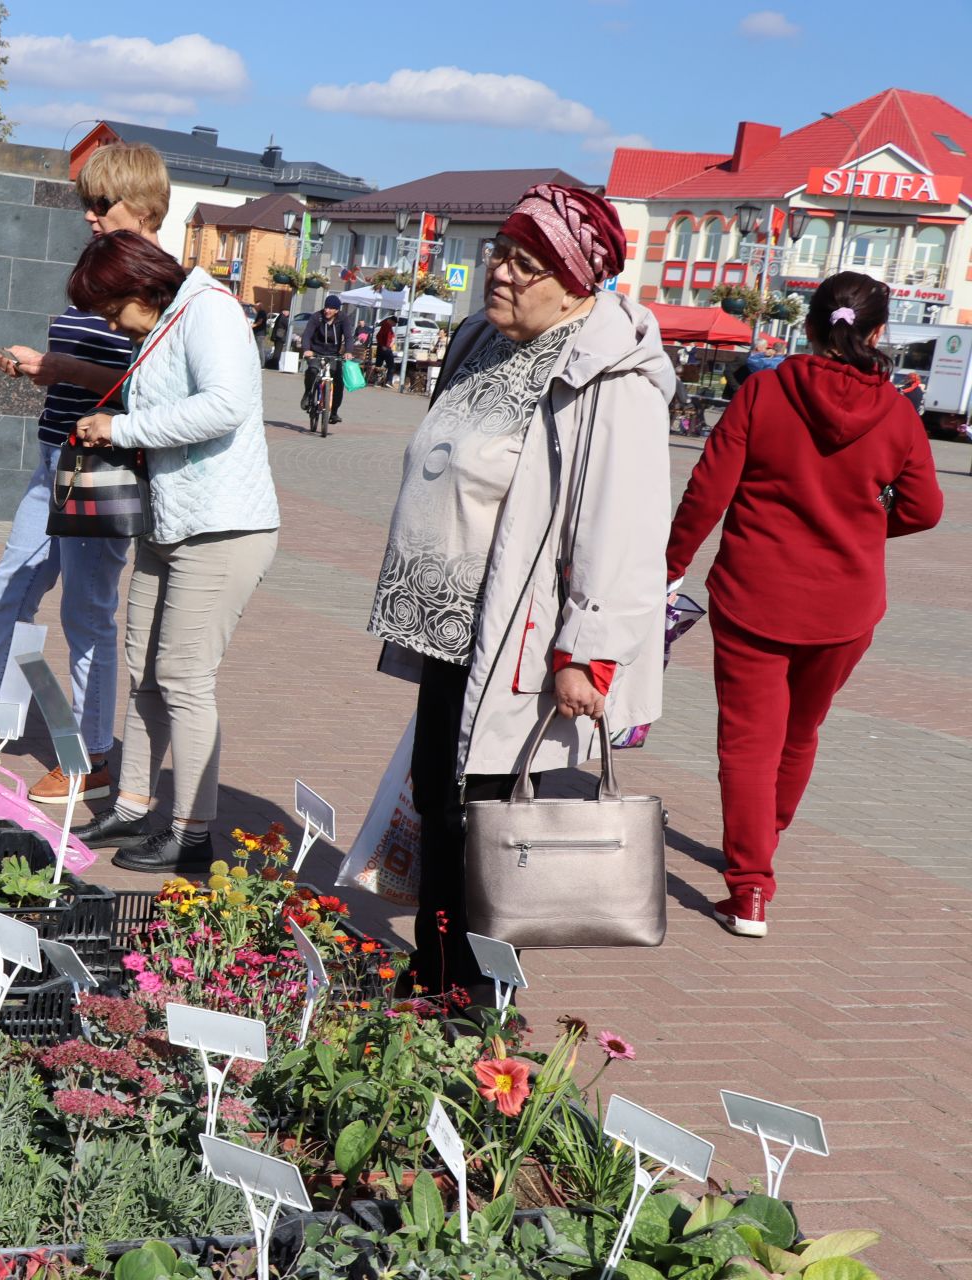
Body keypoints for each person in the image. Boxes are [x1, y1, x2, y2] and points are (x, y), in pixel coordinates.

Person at [369, 184, 674, 1006]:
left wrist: (591, 652)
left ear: (578, 280)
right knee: (441, 797)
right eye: (499, 252)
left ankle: (476, 1001)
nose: (497, 272)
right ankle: (434, 974)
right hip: (456, 626)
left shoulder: (611, 380)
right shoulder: (480, 339)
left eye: (524, 262)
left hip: (530, 640)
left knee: (491, 823)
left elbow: (627, 529)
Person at [665, 273, 943, 939]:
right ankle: (765, 841)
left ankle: (751, 887)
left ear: (809, 325)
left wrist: (667, 572)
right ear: (877, 335)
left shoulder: (763, 390)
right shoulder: (899, 412)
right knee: (801, 732)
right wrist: (866, 526)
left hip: (754, 593)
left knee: (748, 742)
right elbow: (926, 510)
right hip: (847, 606)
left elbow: (708, 491)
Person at [0, 141, 172, 804]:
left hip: (103, 463)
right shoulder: (104, 269)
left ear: (143, 206)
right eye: (87, 205)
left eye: (102, 205)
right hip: (56, 457)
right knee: (12, 583)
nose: (90, 217)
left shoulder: (163, 284)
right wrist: (37, 367)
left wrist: (61, 369)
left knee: (88, 612)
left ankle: (91, 756)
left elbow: (155, 387)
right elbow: (89, 370)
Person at [66, 230, 280, 871]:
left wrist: (121, 426)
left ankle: (192, 831)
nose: (112, 323)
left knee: (184, 679)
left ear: (140, 284)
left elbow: (223, 406)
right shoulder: (165, 321)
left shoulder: (208, 310)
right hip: (170, 523)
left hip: (223, 526)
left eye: (111, 309)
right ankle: (133, 805)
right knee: (144, 671)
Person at [299, 295, 354, 429]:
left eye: (331, 308)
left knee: (339, 383)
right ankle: (307, 393)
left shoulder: (343, 319)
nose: (327, 310)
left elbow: (348, 336)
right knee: (312, 371)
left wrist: (348, 351)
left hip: (334, 354)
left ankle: (334, 412)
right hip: (316, 352)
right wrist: (306, 349)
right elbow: (307, 334)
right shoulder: (316, 317)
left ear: (337, 310)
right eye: (326, 307)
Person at [374, 317, 398, 386]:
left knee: (378, 364)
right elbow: (379, 336)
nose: (395, 324)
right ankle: (388, 381)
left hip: (382, 347)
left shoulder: (385, 326)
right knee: (391, 365)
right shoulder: (386, 326)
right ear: (390, 321)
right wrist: (383, 345)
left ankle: (376, 381)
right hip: (385, 348)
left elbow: (380, 336)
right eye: (394, 322)